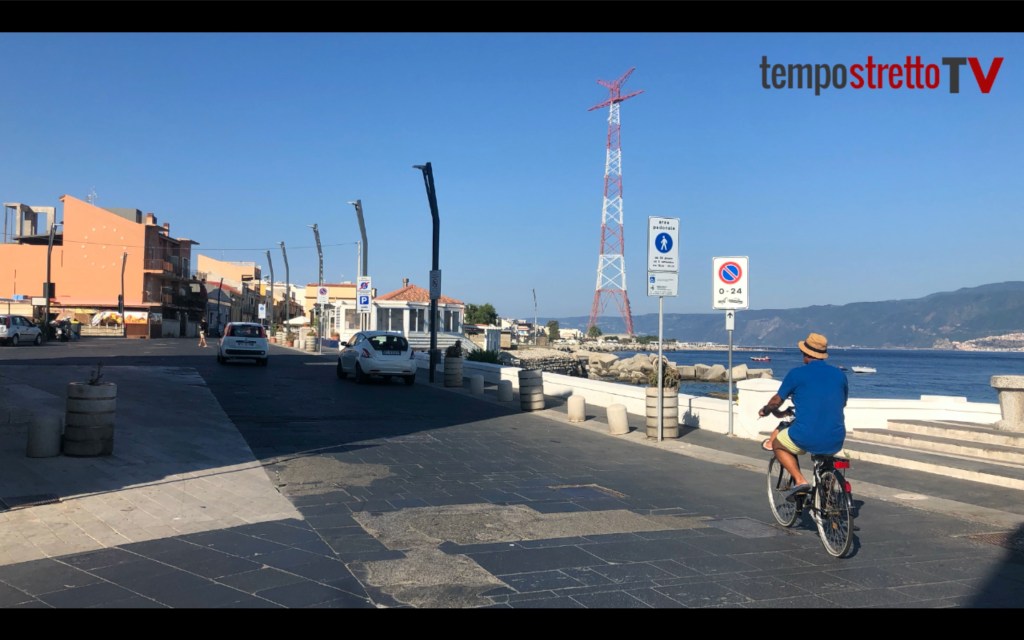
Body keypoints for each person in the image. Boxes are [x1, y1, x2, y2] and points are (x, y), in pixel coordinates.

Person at [758, 332, 848, 502]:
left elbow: (776, 401)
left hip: (806, 435)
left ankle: (800, 481)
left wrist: (766, 410)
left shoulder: (796, 374)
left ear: (805, 353)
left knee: (778, 443)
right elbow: (842, 403)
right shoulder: (840, 375)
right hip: (837, 436)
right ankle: (827, 499)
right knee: (826, 457)